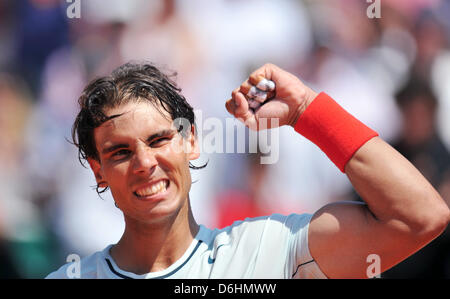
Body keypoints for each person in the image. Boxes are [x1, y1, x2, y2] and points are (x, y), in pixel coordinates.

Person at [46, 62, 449, 279]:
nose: (145, 163)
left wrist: (309, 111)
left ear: (191, 142)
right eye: (119, 152)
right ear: (98, 171)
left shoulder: (268, 250)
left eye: (158, 140)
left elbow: (419, 218)